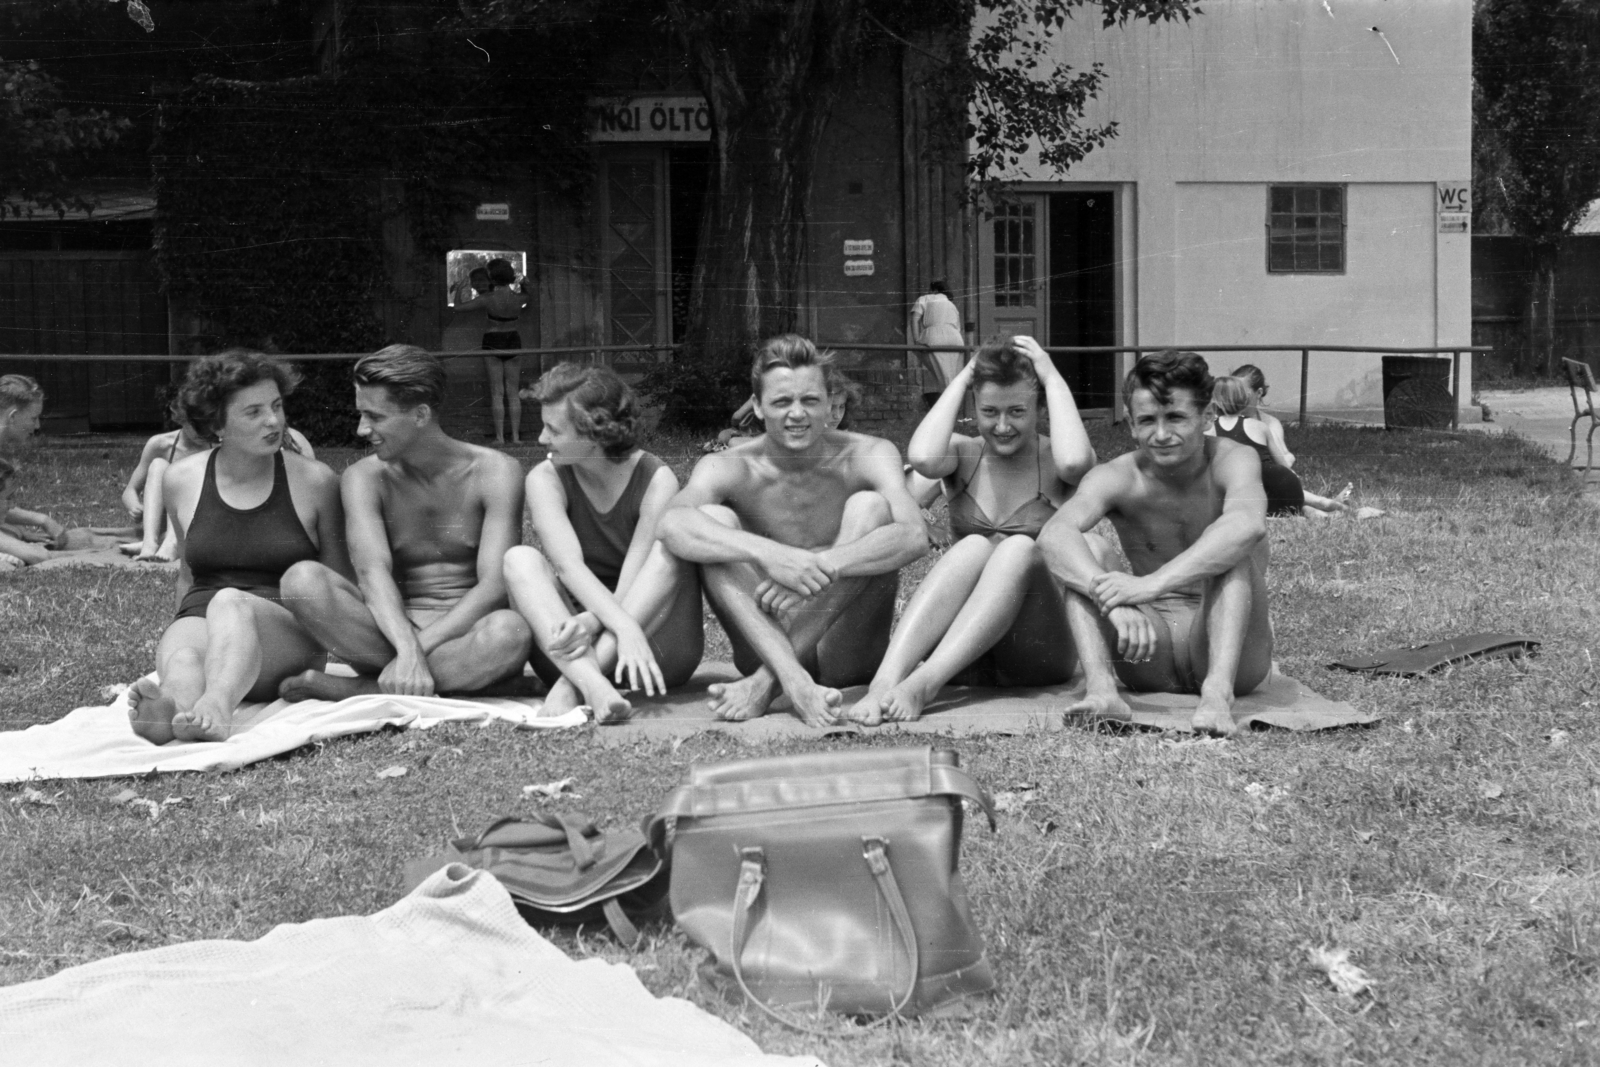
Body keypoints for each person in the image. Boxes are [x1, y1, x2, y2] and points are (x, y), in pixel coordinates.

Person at [657, 335, 929, 727]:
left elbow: (913, 535)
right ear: (757, 406)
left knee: (869, 507)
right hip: (766, 637)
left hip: (845, 654)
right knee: (713, 522)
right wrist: (770, 555)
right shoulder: (730, 466)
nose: (797, 414)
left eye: (810, 401)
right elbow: (670, 523)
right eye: (782, 402)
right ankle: (791, 676)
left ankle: (772, 683)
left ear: (829, 403)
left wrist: (819, 566)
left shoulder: (869, 454)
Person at [846, 336, 1096, 724]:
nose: (1002, 425)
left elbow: (1078, 461)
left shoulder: (1057, 459)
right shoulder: (964, 454)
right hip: (965, 652)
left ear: (1040, 407)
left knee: (1015, 549)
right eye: (989, 411)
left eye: (1017, 411)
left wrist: (1051, 375)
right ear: (973, 407)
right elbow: (924, 458)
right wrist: (964, 375)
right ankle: (885, 682)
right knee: (973, 547)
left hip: (1038, 649)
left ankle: (924, 684)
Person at [276, 344, 533, 701]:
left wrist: (416, 652)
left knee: (510, 633)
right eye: (361, 414)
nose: (362, 429)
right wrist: (405, 648)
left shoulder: (496, 471)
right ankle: (452, 680)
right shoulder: (363, 477)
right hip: (386, 634)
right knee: (301, 580)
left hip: (468, 636)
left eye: (376, 417)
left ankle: (362, 689)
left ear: (420, 414)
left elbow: (493, 588)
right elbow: (371, 573)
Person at [1039, 350, 1273, 737]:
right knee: (1088, 549)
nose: (1161, 435)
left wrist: (1150, 584)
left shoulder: (1235, 459)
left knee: (1230, 548)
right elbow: (1054, 535)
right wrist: (1111, 604)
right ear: (1130, 424)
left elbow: (1247, 525)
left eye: (1176, 417)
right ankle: (1103, 691)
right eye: (1148, 421)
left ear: (1207, 417)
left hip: (1229, 651)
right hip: (1147, 647)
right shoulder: (1118, 475)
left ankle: (1216, 696)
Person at [123, 350, 350, 744]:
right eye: (254, 412)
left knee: (231, 602)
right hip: (205, 609)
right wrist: (186, 632)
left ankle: (219, 704)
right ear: (217, 422)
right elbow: (189, 576)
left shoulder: (315, 480)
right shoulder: (181, 479)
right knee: (185, 659)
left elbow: (338, 581)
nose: (273, 421)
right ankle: (171, 708)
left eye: (277, 406)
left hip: (286, 627)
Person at [503, 363, 703, 722]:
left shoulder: (657, 480)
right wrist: (600, 627)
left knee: (668, 551)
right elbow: (568, 567)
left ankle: (572, 687)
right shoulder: (545, 478)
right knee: (519, 558)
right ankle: (593, 686)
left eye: (553, 429)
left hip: (651, 651)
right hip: (569, 645)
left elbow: (636, 577)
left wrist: (604, 624)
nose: (541, 439)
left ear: (594, 433)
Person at [119, 406, 314, 561]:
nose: (200, 432)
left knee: (183, 478)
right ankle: (151, 541)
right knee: (159, 465)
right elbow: (130, 490)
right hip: (172, 516)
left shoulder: (222, 444)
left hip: (205, 517)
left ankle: (167, 542)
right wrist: (134, 505)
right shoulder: (161, 444)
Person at [1227, 365, 1353, 516]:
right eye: (1233, 393)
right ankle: (1323, 504)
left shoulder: (1269, 423)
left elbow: (1285, 456)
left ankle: (1321, 506)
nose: (1236, 399)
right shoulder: (1227, 422)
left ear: (1259, 393)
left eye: (1242, 394)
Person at [454, 258, 530, 444]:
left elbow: (458, 307)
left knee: (497, 392)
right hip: (513, 339)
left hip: (493, 340)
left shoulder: (487, 299)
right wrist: (525, 284)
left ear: (492, 278)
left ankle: (500, 437)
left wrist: (459, 290)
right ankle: (516, 437)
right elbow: (529, 294)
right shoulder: (519, 298)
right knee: (513, 391)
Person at [908, 280, 966, 406]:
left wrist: (916, 339)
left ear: (934, 290)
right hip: (955, 339)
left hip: (935, 336)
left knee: (942, 376)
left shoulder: (924, 298)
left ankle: (945, 406)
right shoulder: (952, 306)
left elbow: (915, 318)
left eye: (930, 290)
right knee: (950, 376)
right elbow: (958, 327)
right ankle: (951, 405)